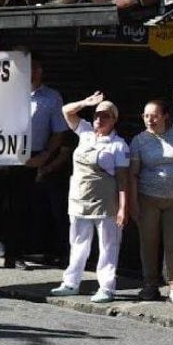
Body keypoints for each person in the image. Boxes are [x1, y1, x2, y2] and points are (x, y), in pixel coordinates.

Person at [0, 54, 69, 270]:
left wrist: (45, 155)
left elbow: (59, 131)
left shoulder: (51, 98)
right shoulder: (3, 93)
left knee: (19, 207)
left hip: (28, 156)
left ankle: (15, 255)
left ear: (38, 71)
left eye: (28, 68)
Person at [49, 92, 131, 304]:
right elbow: (66, 111)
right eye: (97, 115)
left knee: (108, 245)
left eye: (105, 116)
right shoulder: (85, 132)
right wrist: (86, 103)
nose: (99, 119)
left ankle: (106, 287)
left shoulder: (119, 145)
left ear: (114, 120)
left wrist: (123, 208)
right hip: (79, 198)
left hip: (105, 202)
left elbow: (123, 180)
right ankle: (71, 283)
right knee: (78, 243)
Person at [129, 99, 173, 305]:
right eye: (146, 116)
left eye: (154, 115)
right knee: (148, 243)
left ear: (165, 116)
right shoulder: (139, 141)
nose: (149, 120)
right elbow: (133, 174)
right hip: (148, 199)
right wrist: (133, 201)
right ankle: (150, 285)